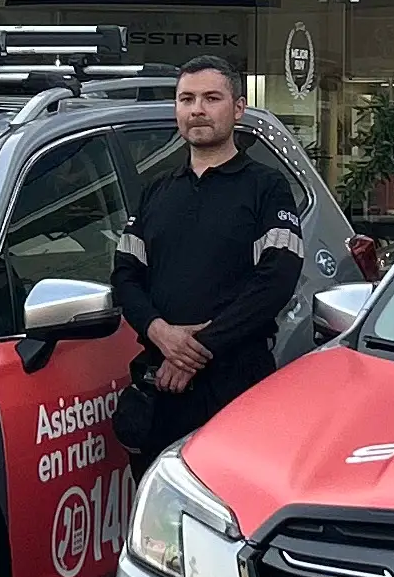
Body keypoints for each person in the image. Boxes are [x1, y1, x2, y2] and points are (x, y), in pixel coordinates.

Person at [107, 57, 308, 464]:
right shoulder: (157, 191)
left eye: (211, 98)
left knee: (231, 495)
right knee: (157, 495)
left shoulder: (266, 188)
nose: (197, 109)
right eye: (187, 99)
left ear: (238, 108)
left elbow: (276, 280)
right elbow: (125, 277)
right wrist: (161, 333)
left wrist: (198, 348)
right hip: (161, 385)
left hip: (236, 383)